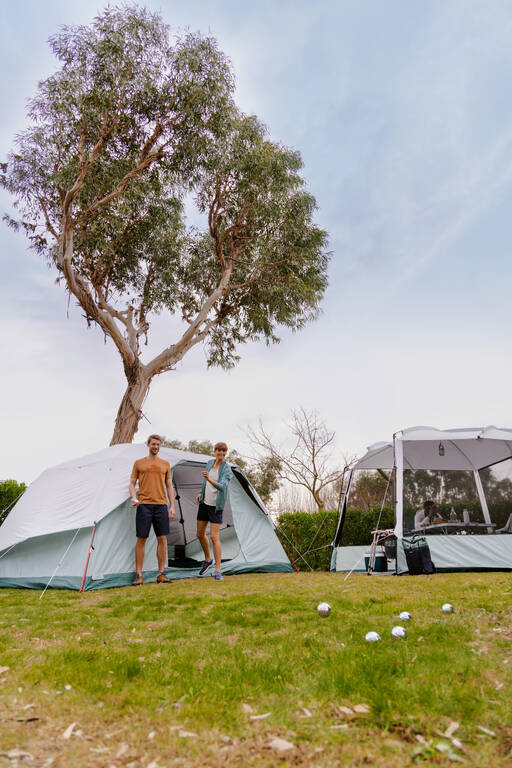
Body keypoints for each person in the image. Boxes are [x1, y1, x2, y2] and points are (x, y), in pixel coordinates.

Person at [129, 434, 175, 586]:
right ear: (148, 445)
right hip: (144, 506)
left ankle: (161, 574)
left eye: (158, 445)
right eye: (153, 444)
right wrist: (134, 498)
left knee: (162, 539)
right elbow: (131, 483)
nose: (155, 447)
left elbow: (169, 485)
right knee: (142, 539)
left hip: (161, 506)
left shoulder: (165, 464)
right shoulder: (138, 463)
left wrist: (172, 506)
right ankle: (138, 574)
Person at [195, 442, 233, 581]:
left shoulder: (227, 469)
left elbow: (222, 487)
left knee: (214, 536)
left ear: (225, 453)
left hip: (216, 507)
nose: (221, 454)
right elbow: (205, 483)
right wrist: (201, 492)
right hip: (205, 504)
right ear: (215, 451)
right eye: (219, 451)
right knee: (199, 534)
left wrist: (209, 479)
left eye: (223, 452)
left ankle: (218, 570)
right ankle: (207, 559)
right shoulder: (210, 462)